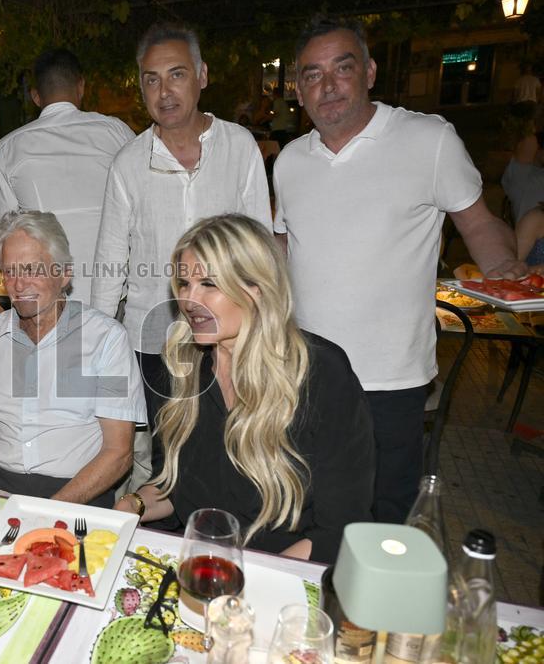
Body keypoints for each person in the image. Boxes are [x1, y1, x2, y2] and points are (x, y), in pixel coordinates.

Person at [272, 15, 526, 524]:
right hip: (306, 374)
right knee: (310, 507)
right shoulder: (289, 161)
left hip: (392, 379)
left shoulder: (427, 140)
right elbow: (282, 247)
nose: (328, 86)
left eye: (341, 69)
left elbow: (478, 224)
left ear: (368, 71)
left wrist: (505, 265)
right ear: (298, 90)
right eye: (312, 75)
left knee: (386, 515)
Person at [114, 214, 374, 564]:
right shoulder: (181, 369)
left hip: (287, 571)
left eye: (208, 283)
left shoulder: (321, 374)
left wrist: (250, 578)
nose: (190, 300)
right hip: (198, 563)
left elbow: (340, 527)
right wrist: (133, 505)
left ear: (256, 289)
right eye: (184, 284)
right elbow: (176, 488)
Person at [91, 22, 271, 462]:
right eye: (151, 80)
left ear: (202, 75)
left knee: (237, 449)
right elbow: (111, 260)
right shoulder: (129, 163)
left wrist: (267, 325)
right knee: (167, 458)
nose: (164, 91)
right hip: (155, 341)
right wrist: (98, 347)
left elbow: (260, 245)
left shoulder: (239, 145)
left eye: (176, 74)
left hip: (232, 338)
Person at [0, 211, 146, 507]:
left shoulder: (106, 339)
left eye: (33, 269)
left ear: (64, 274)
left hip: (79, 494)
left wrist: (46, 511)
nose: (19, 284)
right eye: (11, 271)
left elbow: (118, 452)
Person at [0, 48, 135, 306]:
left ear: (36, 96)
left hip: (48, 298)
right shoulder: (116, 132)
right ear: (81, 87)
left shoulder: (9, 147)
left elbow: (7, 231)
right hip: (116, 291)